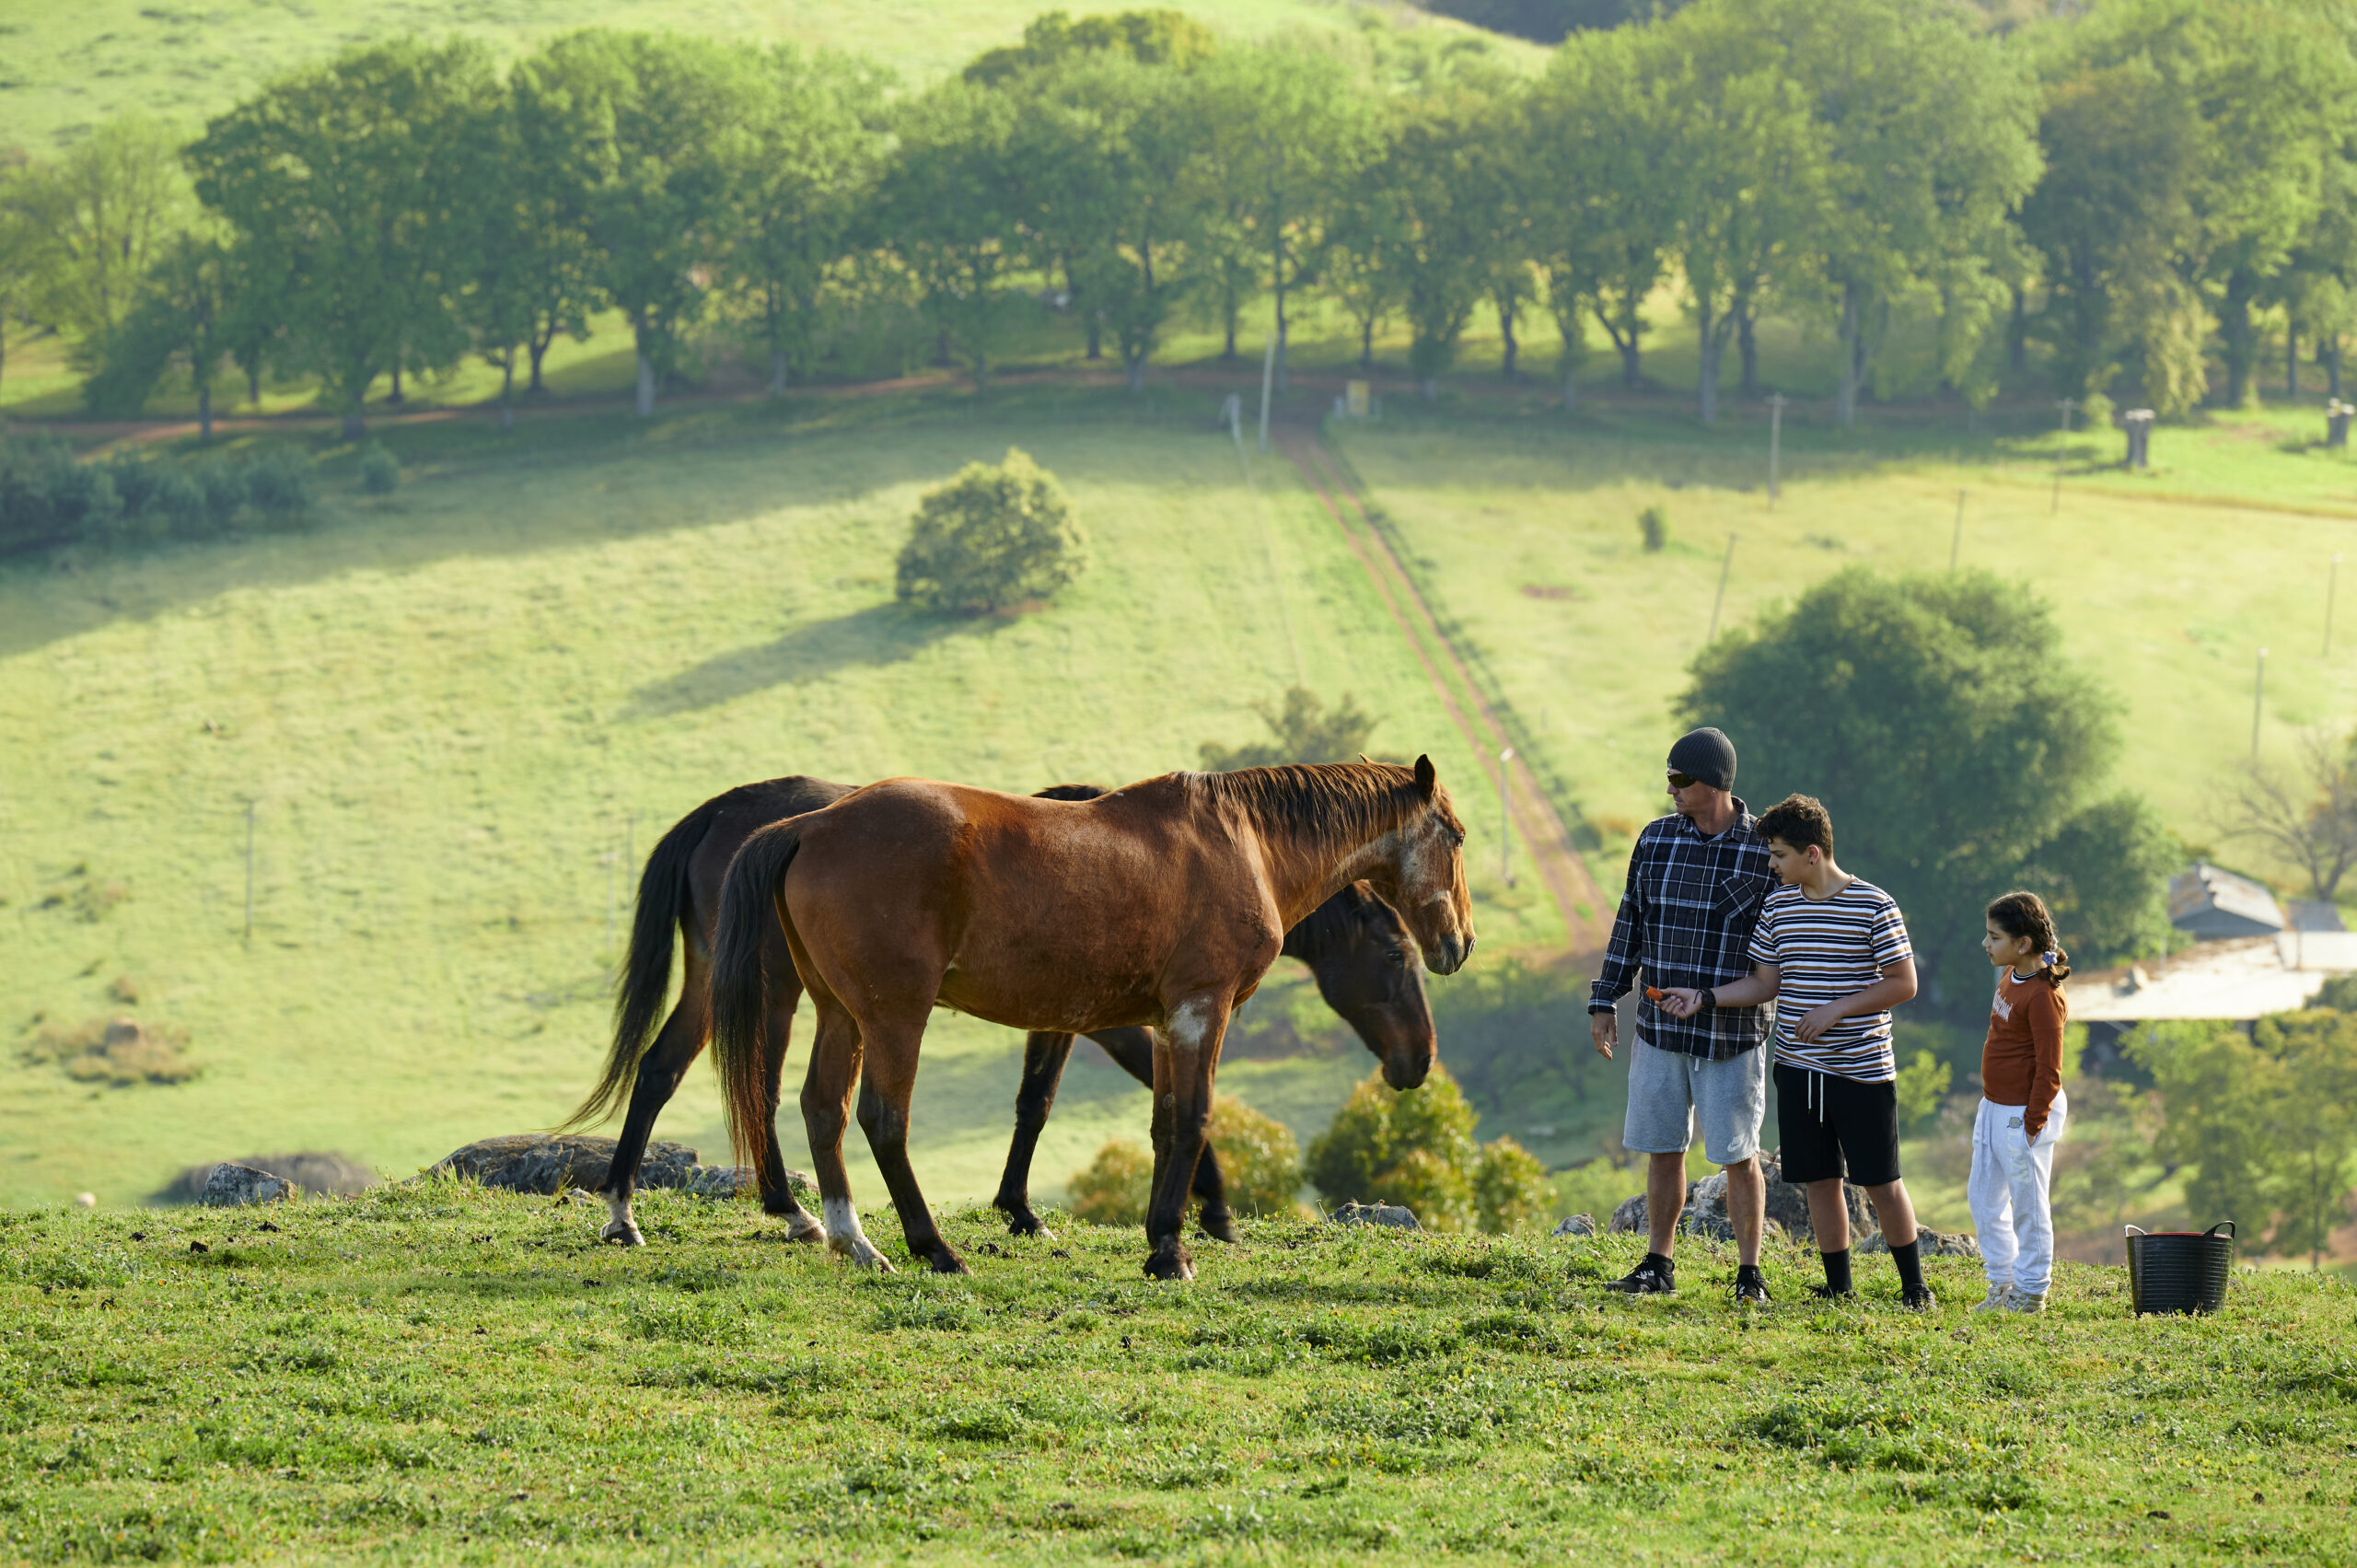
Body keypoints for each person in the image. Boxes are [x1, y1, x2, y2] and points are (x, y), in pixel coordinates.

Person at [1661, 794, 1933, 1310]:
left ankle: (1915, 1288)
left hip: (1862, 1072)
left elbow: (1904, 983)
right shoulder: (1779, 906)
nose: (1771, 865)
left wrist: (1836, 1010)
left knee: (1880, 1181)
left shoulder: (1875, 905)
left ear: (1813, 853)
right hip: (1798, 1069)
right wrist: (1706, 998)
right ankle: (1838, 1287)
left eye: (1779, 855)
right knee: (1819, 1181)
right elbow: (1765, 983)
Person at [1588, 727, 1776, 1305]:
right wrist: (1604, 999)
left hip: (1732, 1035)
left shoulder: (1765, 850)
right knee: (1663, 1148)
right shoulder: (1655, 841)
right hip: (1658, 1031)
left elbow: (1783, 944)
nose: (1669, 789)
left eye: (1679, 779)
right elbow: (1630, 927)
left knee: (1738, 1156)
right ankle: (1658, 1264)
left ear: (1714, 783)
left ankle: (1750, 1276)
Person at [1968, 891, 2070, 1315]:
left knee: (2028, 1205)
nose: (1986, 944)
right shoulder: (2013, 974)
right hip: (1993, 1106)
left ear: (2023, 943)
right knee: (1983, 1198)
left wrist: (2032, 1125)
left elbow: (2050, 1070)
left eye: (1994, 936)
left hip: (2023, 1113)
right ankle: (2003, 1281)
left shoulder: (2045, 997)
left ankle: (2031, 1291)